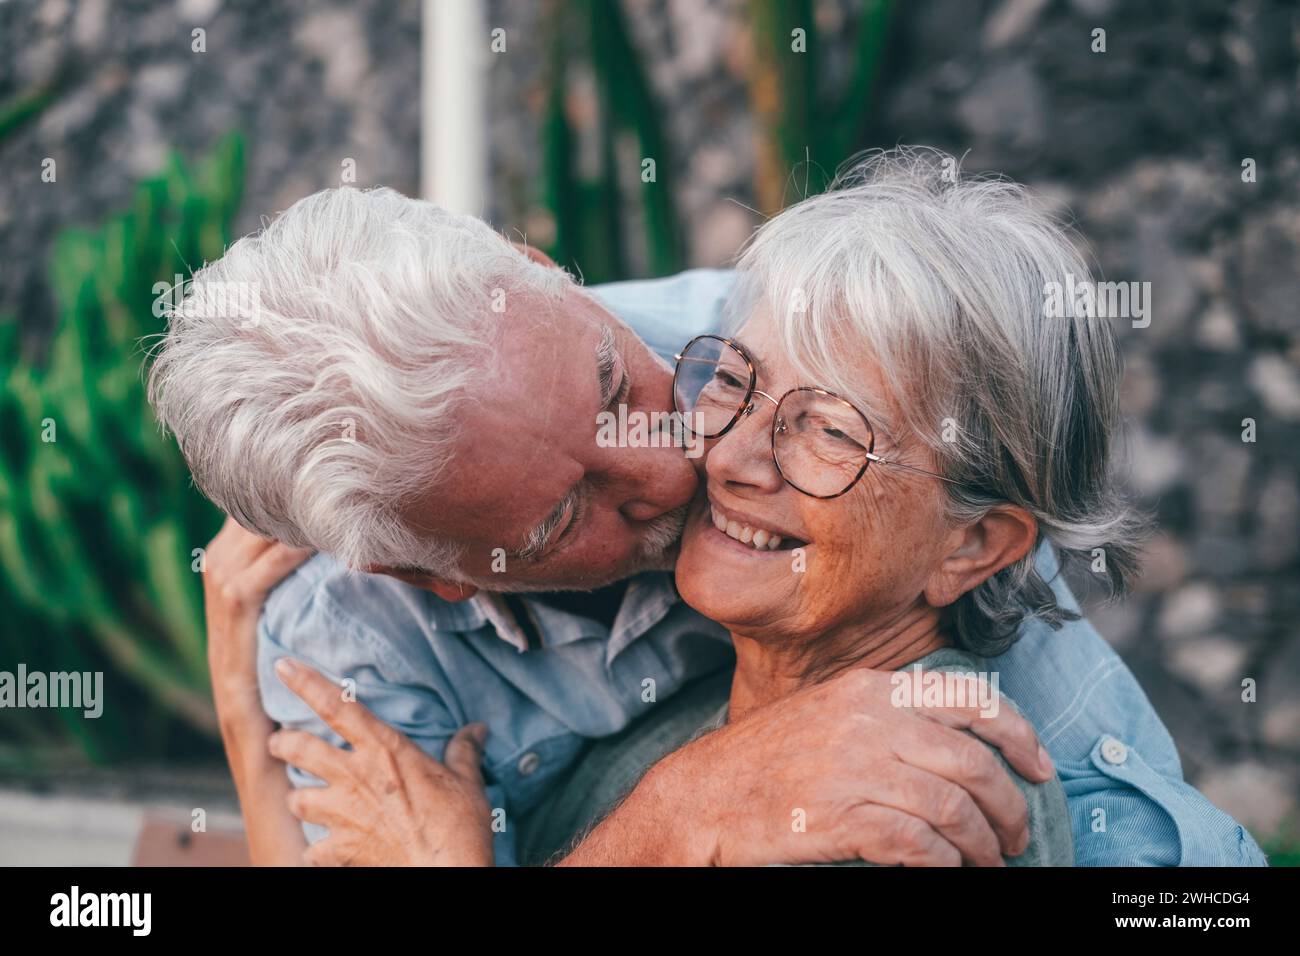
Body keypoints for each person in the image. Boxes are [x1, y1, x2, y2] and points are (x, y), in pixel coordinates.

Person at [154, 152, 1268, 866]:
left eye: (611, 387)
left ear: (541, 270)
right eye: (556, 518)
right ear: (432, 572)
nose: (692, 457)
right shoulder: (346, 629)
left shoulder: (781, 331)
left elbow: (1137, 822)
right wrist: (682, 810)